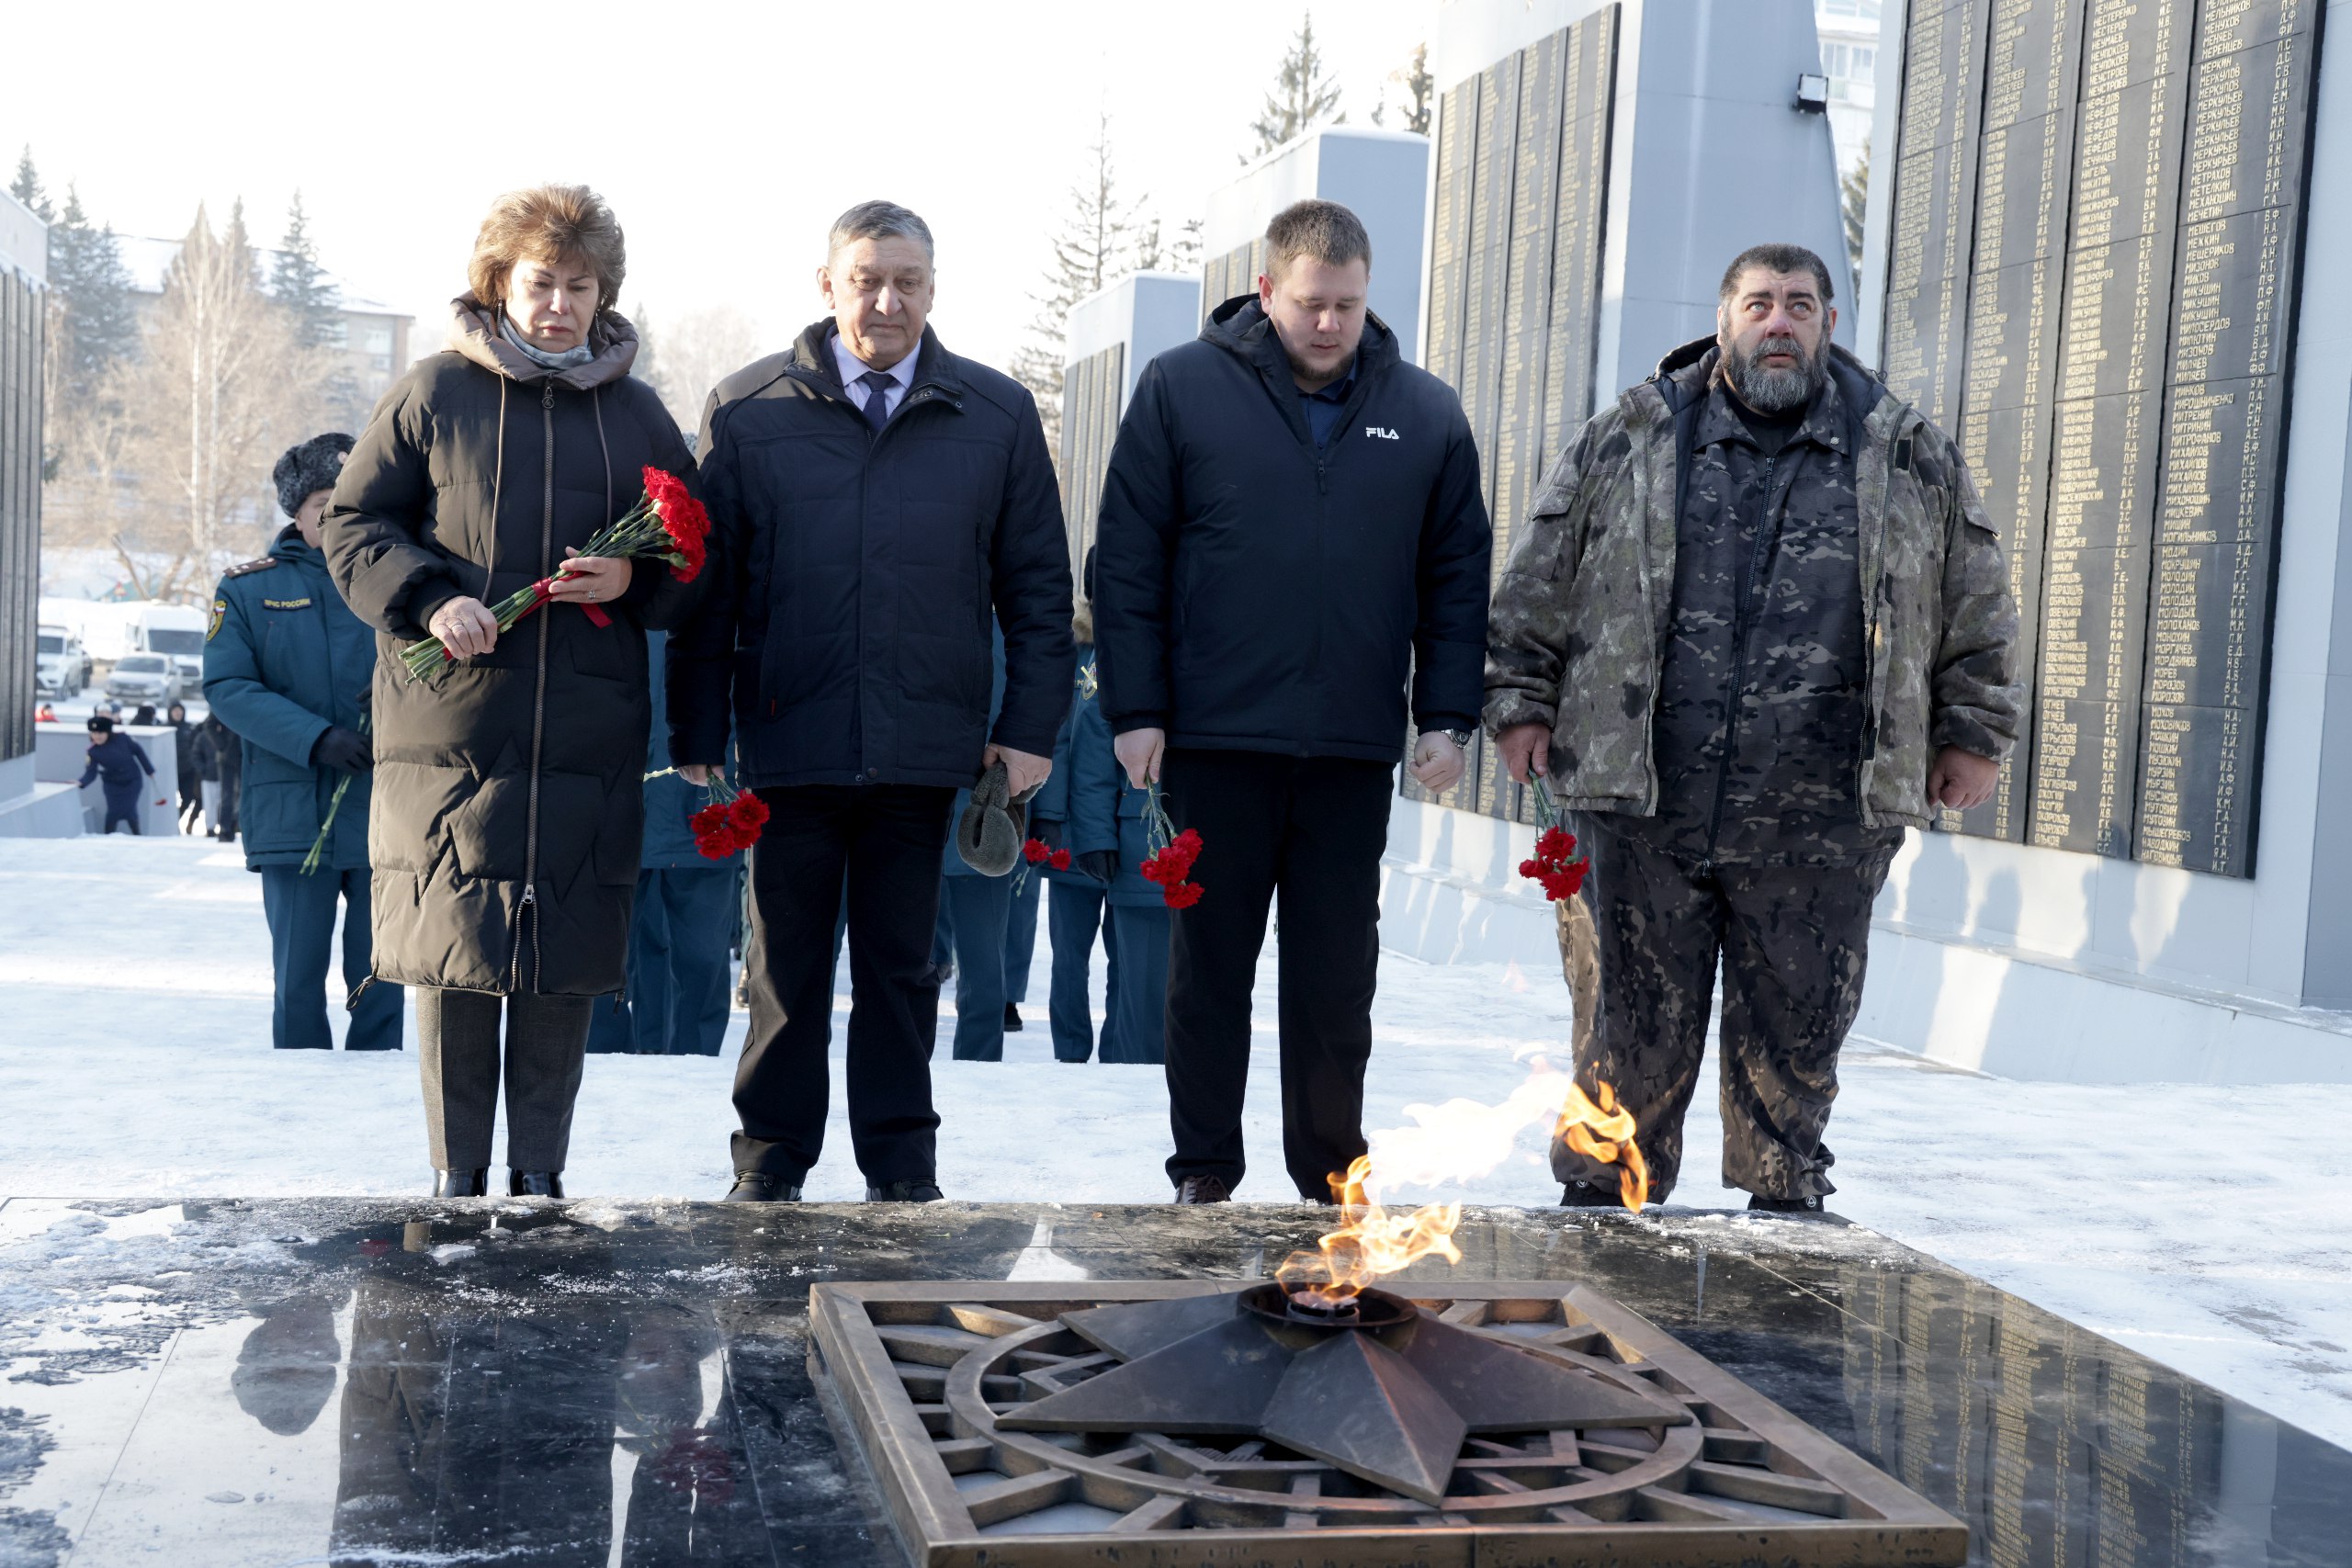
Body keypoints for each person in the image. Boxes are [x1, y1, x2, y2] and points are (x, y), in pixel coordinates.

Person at [1486, 243, 2021, 1217]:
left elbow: (1973, 596)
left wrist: (1973, 729)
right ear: (1724, 318)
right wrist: (1521, 700)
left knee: (1797, 1028)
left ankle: (1784, 1221)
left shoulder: (1902, 451)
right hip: (1644, 798)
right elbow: (1541, 575)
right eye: (1760, 304)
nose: (1780, 322)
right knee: (1629, 1025)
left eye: (1801, 305)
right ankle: (1603, 1211)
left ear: (1825, 323)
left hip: (1821, 809)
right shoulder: (1633, 436)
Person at [669, 199, 1074, 1203]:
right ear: (827, 285)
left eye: (908, 283)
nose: (887, 302)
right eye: (867, 280)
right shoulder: (748, 406)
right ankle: (769, 1166)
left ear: (933, 290)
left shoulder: (994, 413)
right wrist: (695, 725)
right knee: (783, 976)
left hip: (926, 748)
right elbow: (707, 587)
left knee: (902, 977)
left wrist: (1027, 732)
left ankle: (901, 1169)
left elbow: (1035, 589)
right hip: (788, 742)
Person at [1093, 198, 1493, 1204]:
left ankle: (1328, 1172)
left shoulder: (1428, 414)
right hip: (1216, 740)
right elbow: (1128, 562)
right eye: (1311, 304)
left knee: (1333, 979)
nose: (1328, 325)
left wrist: (1443, 718)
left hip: (1348, 748)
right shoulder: (1182, 390)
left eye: (1348, 308)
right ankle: (1204, 1170)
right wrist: (1134, 710)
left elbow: (1455, 580)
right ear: (1266, 290)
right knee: (1210, 973)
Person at [323, 185, 698, 1200]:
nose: (560, 305)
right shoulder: (434, 392)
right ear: (500, 282)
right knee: (456, 954)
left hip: (586, 731)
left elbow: (696, 555)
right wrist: (430, 598)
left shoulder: (636, 412)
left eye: (581, 286)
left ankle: (541, 1174)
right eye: (542, 283)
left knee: (559, 953)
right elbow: (354, 527)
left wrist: (635, 579)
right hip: (454, 732)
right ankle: (457, 1173)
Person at [204, 432, 405, 1055]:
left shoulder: (403, 583)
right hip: (295, 810)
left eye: (350, 501)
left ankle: (374, 1087)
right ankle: (297, 1083)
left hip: (384, 811)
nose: (337, 514)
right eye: (324, 502)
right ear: (297, 510)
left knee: (382, 973)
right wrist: (315, 738)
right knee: (296, 976)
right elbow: (228, 685)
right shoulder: (246, 589)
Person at [586, 631, 741, 1057]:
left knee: (703, 960)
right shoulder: (609, 586)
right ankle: (605, 1066)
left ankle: (694, 1065)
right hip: (614, 810)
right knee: (605, 960)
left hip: (703, 812)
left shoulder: (714, 588)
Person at [1031, 583, 1121, 1063]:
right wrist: (1047, 817)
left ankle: (1117, 1051)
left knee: (1122, 955)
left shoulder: (1142, 645)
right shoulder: (1075, 650)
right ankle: (1070, 1050)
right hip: (1069, 829)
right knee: (1070, 957)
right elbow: (1057, 737)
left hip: (1124, 828)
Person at [77, 714, 161, 834]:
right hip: (112, 784)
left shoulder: (123, 738)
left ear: (108, 732)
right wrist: (81, 782)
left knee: (130, 808)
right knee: (113, 811)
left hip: (132, 781)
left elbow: (139, 752)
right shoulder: (92, 751)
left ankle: (137, 834)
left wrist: (149, 770)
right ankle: (109, 835)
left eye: (100, 733)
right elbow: (91, 773)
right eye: (94, 733)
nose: (97, 737)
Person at [165, 701, 202, 832]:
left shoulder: (189, 729)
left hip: (187, 770)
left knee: (188, 798)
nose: (178, 714)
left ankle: (176, 820)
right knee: (167, 800)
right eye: (175, 711)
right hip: (169, 770)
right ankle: (168, 824)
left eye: (180, 712)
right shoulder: (164, 728)